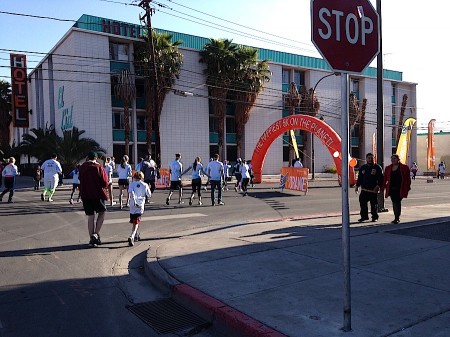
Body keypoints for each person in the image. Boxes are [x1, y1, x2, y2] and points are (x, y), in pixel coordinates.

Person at [79, 151, 109, 247]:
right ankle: (96, 233)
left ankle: (91, 237)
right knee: (102, 212)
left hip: (86, 195)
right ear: (96, 158)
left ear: (88, 157)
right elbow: (105, 183)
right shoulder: (99, 168)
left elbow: (80, 178)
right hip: (98, 194)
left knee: (90, 216)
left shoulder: (82, 167)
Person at [382, 154, 411, 224]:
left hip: (400, 188)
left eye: (394, 158)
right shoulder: (388, 168)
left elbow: (408, 179)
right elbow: (385, 178)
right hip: (391, 188)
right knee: (394, 202)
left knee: (397, 202)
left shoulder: (404, 167)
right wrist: (383, 187)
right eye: (392, 159)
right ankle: (396, 217)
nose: (393, 160)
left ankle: (397, 218)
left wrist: (407, 187)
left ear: (398, 159)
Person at [354, 153, 384, 222]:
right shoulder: (363, 167)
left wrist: (378, 186)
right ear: (366, 159)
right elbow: (360, 178)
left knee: (374, 205)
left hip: (373, 190)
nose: (370, 159)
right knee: (362, 203)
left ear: (374, 158)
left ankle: (374, 217)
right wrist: (357, 186)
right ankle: (364, 216)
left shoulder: (377, 167)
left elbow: (381, 178)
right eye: (369, 158)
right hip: (364, 190)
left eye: (371, 158)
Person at [127, 171, 151, 246]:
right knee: (136, 222)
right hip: (140, 204)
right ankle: (132, 236)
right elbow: (149, 195)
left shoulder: (131, 184)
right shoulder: (144, 185)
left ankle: (136, 235)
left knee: (135, 221)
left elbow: (130, 192)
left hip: (132, 204)